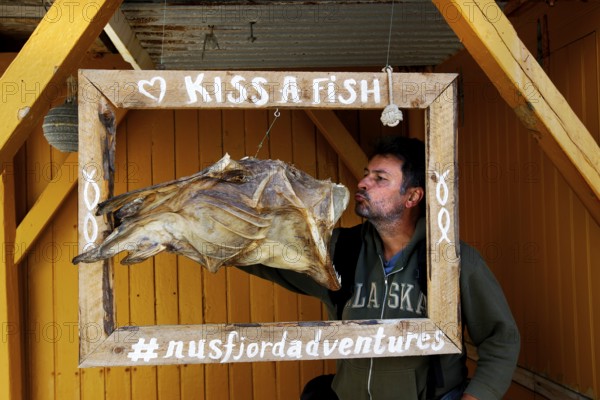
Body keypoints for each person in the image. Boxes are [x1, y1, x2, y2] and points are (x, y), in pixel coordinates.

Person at [239, 136, 520, 399]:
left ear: (412, 197)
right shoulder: (340, 252)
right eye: (366, 174)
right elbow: (268, 257)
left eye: (379, 179)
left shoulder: (453, 261)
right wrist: (221, 236)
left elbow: (501, 340)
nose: (363, 183)